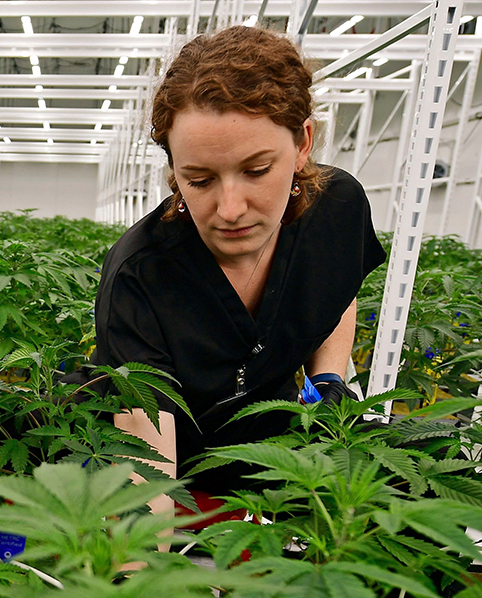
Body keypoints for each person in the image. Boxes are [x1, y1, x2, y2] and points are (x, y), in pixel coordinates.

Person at [94, 26, 387, 506]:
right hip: (176, 475)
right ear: (174, 169)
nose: (230, 209)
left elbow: (336, 287)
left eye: (256, 171)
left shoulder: (337, 209)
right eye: (200, 179)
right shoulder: (140, 275)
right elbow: (144, 480)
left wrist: (331, 379)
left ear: (303, 143)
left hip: (276, 459)